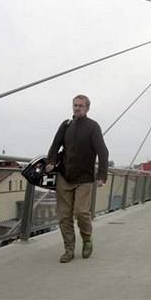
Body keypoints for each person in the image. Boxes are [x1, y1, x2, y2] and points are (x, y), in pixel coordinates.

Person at [46, 95, 109, 263]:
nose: (77, 108)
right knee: (64, 216)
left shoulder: (93, 127)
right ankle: (69, 249)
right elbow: (55, 146)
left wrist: (102, 175)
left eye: (81, 106)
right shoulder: (65, 126)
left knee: (81, 212)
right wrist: (51, 162)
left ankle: (87, 239)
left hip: (84, 177)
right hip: (64, 176)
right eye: (75, 105)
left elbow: (103, 152)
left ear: (87, 109)